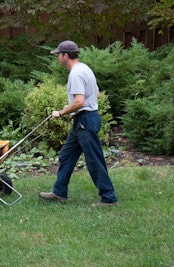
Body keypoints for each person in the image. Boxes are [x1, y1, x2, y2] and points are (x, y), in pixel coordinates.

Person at [39, 40, 119, 206]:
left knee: (93, 160)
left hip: (85, 120)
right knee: (67, 155)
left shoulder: (75, 73)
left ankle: (109, 198)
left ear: (65, 56)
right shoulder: (85, 69)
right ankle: (59, 192)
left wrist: (61, 112)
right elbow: (96, 94)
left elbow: (80, 102)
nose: (57, 58)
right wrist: (73, 108)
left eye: (58, 55)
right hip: (84, 119)